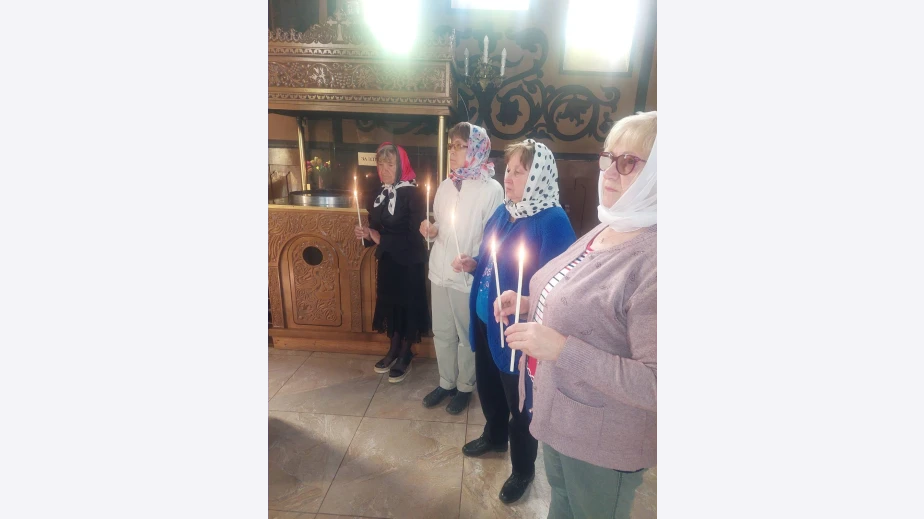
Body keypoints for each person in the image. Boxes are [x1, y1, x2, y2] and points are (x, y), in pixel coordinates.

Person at [498, 111, 658, 519]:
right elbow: (585, 300)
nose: (610, 171)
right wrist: (528, 303)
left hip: (602, 441)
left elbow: (655, 384)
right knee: (562, 507)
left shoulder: (654, 259)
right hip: (562, 416)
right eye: (608, 157)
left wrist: (561, 349)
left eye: (628, 162)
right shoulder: (611, 225)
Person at [453, 139, 576, 504]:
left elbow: (561, 287)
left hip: (517, 331)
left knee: (521, 404)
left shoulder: (551, 220)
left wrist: (524, 305)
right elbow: (490, 258)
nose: (509, 177)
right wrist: (474, 264)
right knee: (489, 386)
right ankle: (494, 437)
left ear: (538, 175)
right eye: (508, 170)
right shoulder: (505, 211)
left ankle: (523, 468)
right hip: (486, 320)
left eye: (519, 172)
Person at [418, 123, 505, 414]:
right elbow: (443, 224)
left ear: (477, 148)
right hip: (439, 271)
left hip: (467, 275)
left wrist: (475, 262)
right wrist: (432, 230)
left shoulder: (491, 190)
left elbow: (494, 237)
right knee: (442, 331)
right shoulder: (446, 185)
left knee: (466, 337)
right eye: (451, 145)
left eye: (460, 145)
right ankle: (446, 381)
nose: (453, 151)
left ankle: (465, 386)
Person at [354, 142, 430, 383]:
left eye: (390, 164)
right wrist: (367, 233)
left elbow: (414, 236)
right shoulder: (380, 192)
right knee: (391, 304)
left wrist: (380, 238)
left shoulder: (414, 194)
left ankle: (406, 352)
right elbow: (376, 225)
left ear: (402, 165)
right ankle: (394, 348)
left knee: (407, 306)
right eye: (380, 164)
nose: (384, 169)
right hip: (388, 259)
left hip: (409, 260)